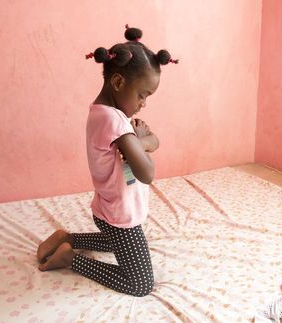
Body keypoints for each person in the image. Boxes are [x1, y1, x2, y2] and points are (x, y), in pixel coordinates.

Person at [36, 25, 178, 297]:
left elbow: (154, 141)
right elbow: (147, 173)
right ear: (117, 83)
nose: (143, 104)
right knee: (140, 284)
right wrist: (140, 140)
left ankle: (68, 238)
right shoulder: (115, 122)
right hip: (119, 217)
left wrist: (141, 141)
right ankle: (71, 259)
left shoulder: (107, 113)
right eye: (142, 95)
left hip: (109, 209)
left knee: (117, 245)